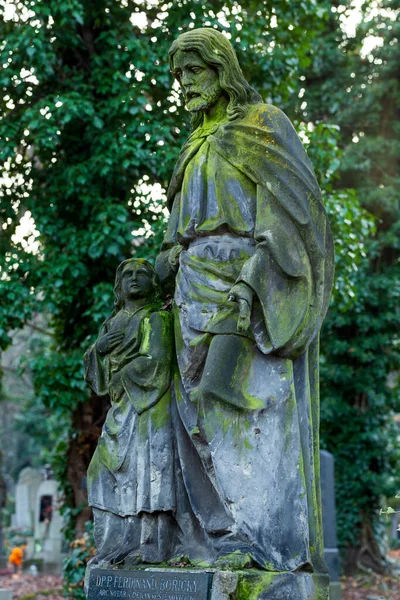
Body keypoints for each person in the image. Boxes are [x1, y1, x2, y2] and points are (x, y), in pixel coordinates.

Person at [156, 28, 334, 574]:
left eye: (195, 71)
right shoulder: (194, 143)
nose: (185, 83)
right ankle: (216, 532)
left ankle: (263, 539)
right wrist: (166, 258)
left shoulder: (262, 126)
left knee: (248, 407)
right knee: (195, 413)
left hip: (245, 287)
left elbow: (291, 216)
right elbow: (177, 224)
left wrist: (252, 284)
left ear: (221, 69)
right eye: (179, 74)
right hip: (190, 288)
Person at [84, 259, 178, 569]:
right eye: (127, 275)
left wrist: (121, 376)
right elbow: (98, 382)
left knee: (149, 476)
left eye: (141, 274)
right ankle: (114, 544)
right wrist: (97, 350)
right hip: (121, 410)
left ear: (153, 283)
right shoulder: (111, 324)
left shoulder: (157, 318)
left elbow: (157, 364)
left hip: (149, 410)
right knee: (100, 474)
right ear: (119, 285)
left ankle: (152, 547)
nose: (134, 279)